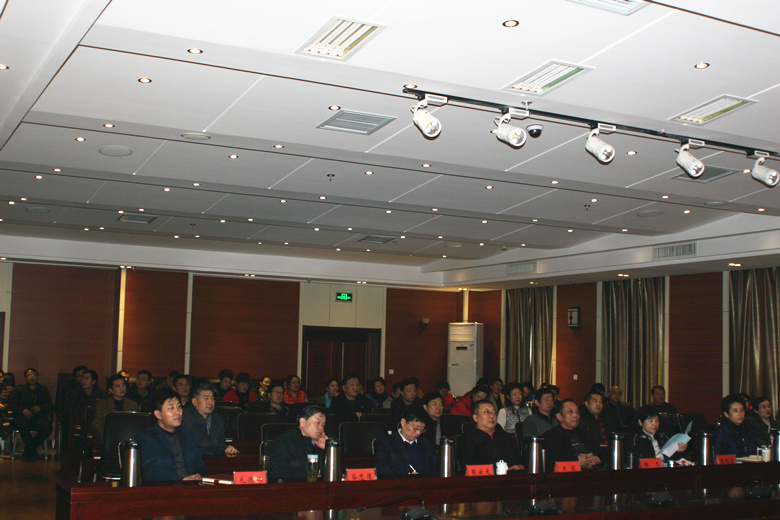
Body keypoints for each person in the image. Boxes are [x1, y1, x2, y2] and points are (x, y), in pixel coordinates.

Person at [138, 394, 206, 482]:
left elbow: (199, 464)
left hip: (191, 486)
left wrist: (198, 475)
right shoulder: (147, 438)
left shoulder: (187, 436)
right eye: (171, 408)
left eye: (179, 406)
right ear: (158, 414)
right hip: (165, 488)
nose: (178, 412)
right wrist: (181, 479)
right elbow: (148, 472)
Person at [458, 400, 523, 471]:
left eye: (494, 412)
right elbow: (469, 465)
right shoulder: (467, 439)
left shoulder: (505, 436)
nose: (492, 416)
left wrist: (518, 466)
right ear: (475, 418)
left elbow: (518, 459)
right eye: (487, 412)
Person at [268, 404, 328, 480]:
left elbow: (333, 473)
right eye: (317, 423)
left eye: (323, 425)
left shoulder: (318, 443)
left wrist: (328, 449)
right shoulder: (284, 441)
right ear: (302, 422)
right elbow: (278, 473)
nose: (321, 428)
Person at [374, 407, 437, 477]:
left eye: (422, 430)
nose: (418, 433)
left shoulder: (426, 444)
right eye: (415, 428)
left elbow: (435, 469)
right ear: (403, 423)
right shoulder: (385, 442)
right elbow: (382, 469)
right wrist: (407, 476)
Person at [181, 383, 239, 457]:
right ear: (194, 402)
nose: (210, 402)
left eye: (212, 398)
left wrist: (226, 448)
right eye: (206, 399)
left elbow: (220, 445)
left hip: (213, 461)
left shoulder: (219, 419)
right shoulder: (184, 418)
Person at [543, 399, 601, 471]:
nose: (575, 415)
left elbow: (599, 453)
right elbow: (550, 464)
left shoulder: (586, 433)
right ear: (559, 416)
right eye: (570, 412)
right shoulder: (550, 436)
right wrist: (576, 462)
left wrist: (596, 459)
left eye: (577, 412)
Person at [8, 368, 53, 461]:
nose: (32, 378)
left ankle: (29, 449)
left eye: (34, 375)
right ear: (26, 377)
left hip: (38, 416)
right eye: (29, 376)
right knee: (22, 425)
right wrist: (22, 410)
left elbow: (49, 404)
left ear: (37, 377)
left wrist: (40, 407)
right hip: (22, 416)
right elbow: (12, 403)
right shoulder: (19, 389)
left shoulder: (43, 389)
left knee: (48, 427)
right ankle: (31, 451)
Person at [92, 373, 139, 443]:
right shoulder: (102, 404)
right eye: (118, 386)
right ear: (111, 390)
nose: (122, 388)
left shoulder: (132, 404)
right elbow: (97, 425)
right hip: (108, 439)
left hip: (128, 439)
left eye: (123, 385)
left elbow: (136, 425)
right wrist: (106, 437)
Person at [578, 390, 608, 461]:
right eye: (595, 401)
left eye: (600, 402)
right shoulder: (581, 420)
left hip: (605, 455)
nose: (598, 404)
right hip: (591, 457)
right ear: (587, 404)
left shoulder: (606, 418)